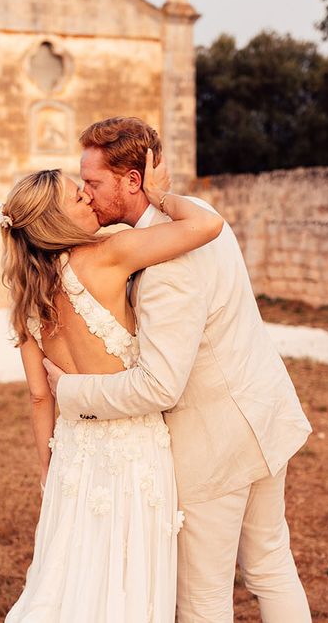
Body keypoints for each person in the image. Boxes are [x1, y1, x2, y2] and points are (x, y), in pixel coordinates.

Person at [44, 116, 314, 623]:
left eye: (94, 182)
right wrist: (162, 198)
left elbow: (160, 385)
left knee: (203, 598)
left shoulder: (166, 263)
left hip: (215, 443)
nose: (85, 194)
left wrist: (72, 393)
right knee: (271, 565)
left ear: (132, 180)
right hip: (262, 414)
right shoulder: (197, 215)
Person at [0, 141, 225, 622]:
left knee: (72, 571)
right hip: (134, 448)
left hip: (74, 455)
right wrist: (158, 194)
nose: (87, 197)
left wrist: (49, 468)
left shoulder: (26, 297)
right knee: (127, 576)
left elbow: (41, 395)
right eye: (76, 196)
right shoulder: (107, 255)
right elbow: (207, 225)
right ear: (54, 220)